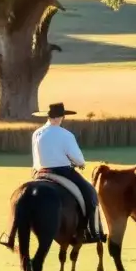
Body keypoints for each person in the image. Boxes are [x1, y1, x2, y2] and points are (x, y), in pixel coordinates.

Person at [31, 102, 106, 244]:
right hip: (62, 171)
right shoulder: (66, 135)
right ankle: (93, 231)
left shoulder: (37, 133)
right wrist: (81, 164)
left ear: (48, 117)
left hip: (39, 172)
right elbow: (77, 158)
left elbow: (36, 157)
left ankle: (11, 233)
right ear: (61, 117)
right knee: (90, 193)